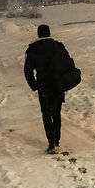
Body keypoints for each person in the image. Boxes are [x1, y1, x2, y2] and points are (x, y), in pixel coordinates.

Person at [24, 24, 71, 154]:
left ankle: (51, 143)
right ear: (49, 33)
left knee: (46, 114)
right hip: (58, 85)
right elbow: (67, 64)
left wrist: (34, 85)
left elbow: (28, 70)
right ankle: (57, 140)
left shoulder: (33, 49)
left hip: (44, 86)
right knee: (56, 113)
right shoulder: (59, 46)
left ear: (38, 34)